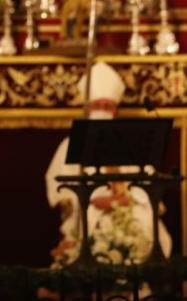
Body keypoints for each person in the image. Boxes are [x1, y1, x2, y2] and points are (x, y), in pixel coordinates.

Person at [44, 61, 172, 265]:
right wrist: (86, 200)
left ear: (115, 111)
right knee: (87, 226)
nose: (102, 110)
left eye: (107, 106)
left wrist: (127, 199)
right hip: (89, 210)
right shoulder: (70, 144)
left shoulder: (131, 142)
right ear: (87, 109)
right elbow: (59, 189)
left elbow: (149, 182)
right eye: (97, 105)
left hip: (129, 208)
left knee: (148, 225)